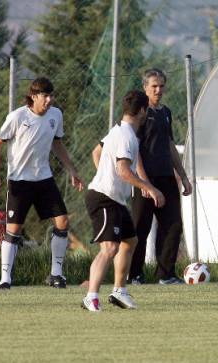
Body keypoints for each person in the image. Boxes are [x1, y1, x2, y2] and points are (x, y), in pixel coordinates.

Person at [0, 77, 83, 290]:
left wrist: (72, 170)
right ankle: (5, 279)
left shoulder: (55, 115)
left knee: (62, 222)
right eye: (45, 96)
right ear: (33, 96)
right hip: (19, 182)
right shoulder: (17, 117)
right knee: (14, 230)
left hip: (44, 179)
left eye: (51, 95)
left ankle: (56, 274)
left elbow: (57, 144)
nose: (49, 100)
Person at [81, 90, 165, 312]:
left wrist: (105, 175)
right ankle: (91, 296)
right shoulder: (127, 136)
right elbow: (123, 170)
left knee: (130, 240)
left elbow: (96, 153)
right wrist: (149, 188)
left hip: (113, 198)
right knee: (109, 248)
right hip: (103, 198)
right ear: (142, 111)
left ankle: (119, 291)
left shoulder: (117, 130)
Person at [127, 68, 192, 285]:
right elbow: (134, 148)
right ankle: (134, 274)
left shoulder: (166, 112)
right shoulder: (140, 114)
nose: (158, 90)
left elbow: (170, 145)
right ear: (145, 87)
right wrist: (143, 181)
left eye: (161, 85)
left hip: (166, 178)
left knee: (173, 226)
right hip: (145, 180)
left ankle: (166, 274)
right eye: (154, 86)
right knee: (141, 228)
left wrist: (182, 175)